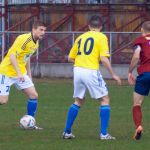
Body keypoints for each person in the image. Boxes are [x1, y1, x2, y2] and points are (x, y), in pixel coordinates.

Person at [63, 15, 121, 140]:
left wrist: (81, 63)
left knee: (78, 100)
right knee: (105, 99)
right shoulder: (101, 37)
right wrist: (113, 75)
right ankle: (104, 134)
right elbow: (104, 59)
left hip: (77, 70)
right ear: (101, 27)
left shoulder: (81, 37)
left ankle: (67, 132)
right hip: (90, 71)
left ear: (89, 26)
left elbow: (70, 58)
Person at [0, 20, 46, 129]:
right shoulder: (24, 39)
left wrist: (29, 75)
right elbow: (12, 56)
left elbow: (27, 57)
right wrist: (19, 73)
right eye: (41, 30)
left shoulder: (36, 43)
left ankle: (31, 123)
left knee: (34, 95)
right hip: (6, 72)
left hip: (20, 73)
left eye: (44, 30)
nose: (43, 32)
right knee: (3, 101)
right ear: (33, 29)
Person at [128, 21, 150, 140]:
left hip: (145, 74)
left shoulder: (140, 41)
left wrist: (130, 71)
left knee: (137, 104)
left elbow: (136, 55)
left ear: (142, 30)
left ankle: (138, 126)